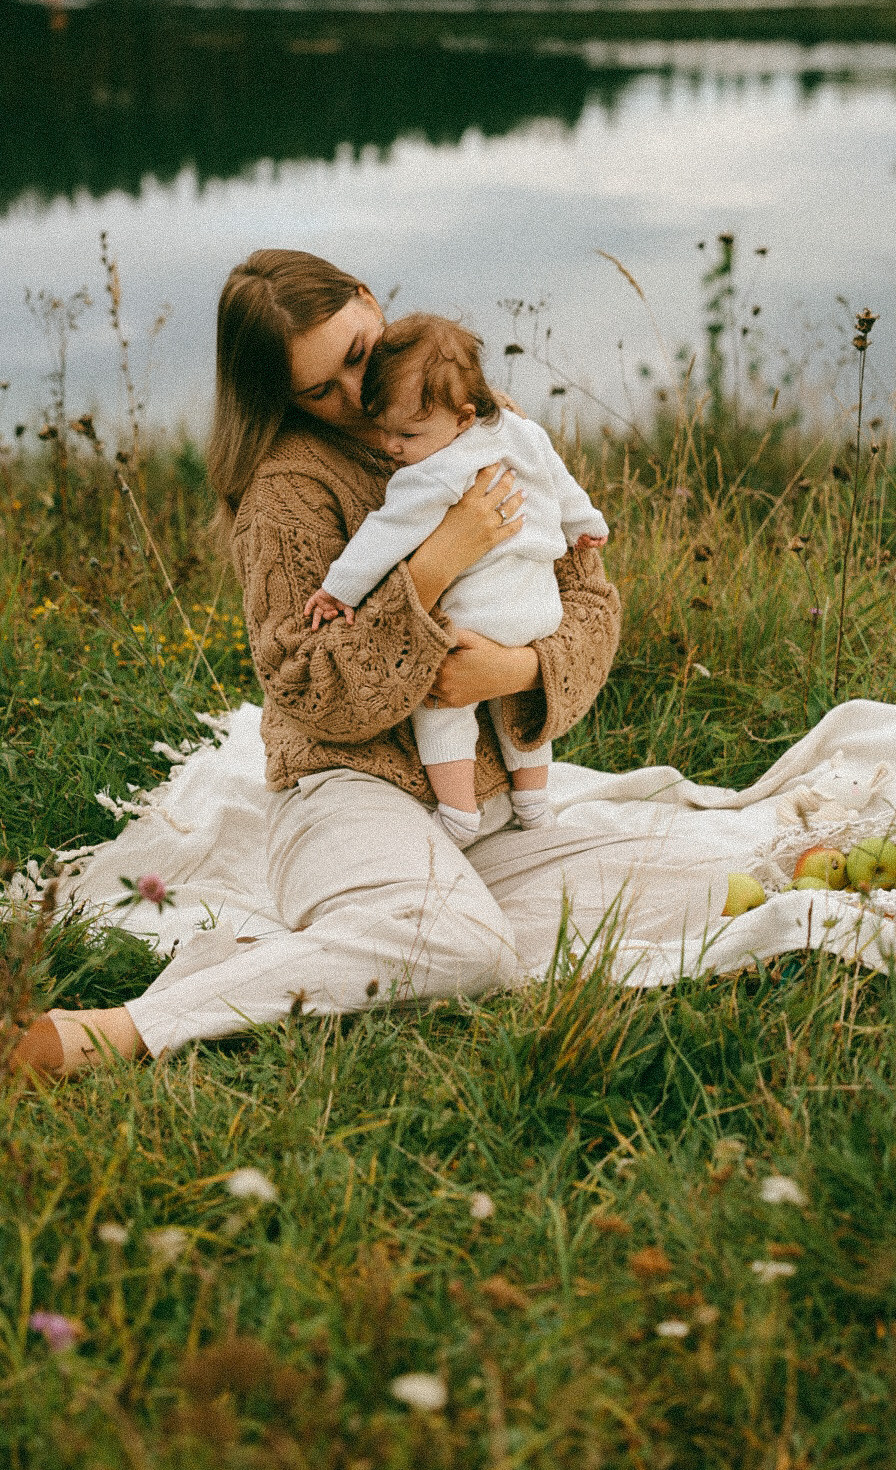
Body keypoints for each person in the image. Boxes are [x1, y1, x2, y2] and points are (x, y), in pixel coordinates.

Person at [10, 249, 725, 1079]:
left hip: (479, 800)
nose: (356, 400)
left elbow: (591, 606)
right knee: (467, 948)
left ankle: (305, 948)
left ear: (369, 300)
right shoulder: (288, 494)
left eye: (358, 355)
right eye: (320, 390)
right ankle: (128, 1027)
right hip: (347, 788)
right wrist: (433, 565)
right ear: (286, 401)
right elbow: (315, 696)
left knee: (696, 875)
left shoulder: (479, 421)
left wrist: (517, 673)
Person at [304, 313, 608, 848]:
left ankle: (458, 813)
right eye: (385, 430)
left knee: (441, 701)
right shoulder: (524, 433)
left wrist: (339, 589)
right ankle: (534, 801)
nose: (392, 445)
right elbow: (561, 482)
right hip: (539, 610)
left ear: (464, 419)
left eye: (406, 434)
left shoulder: (435, 469)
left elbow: (385, 532)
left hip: (478, 613)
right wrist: (587, 524)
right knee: (513, 697)